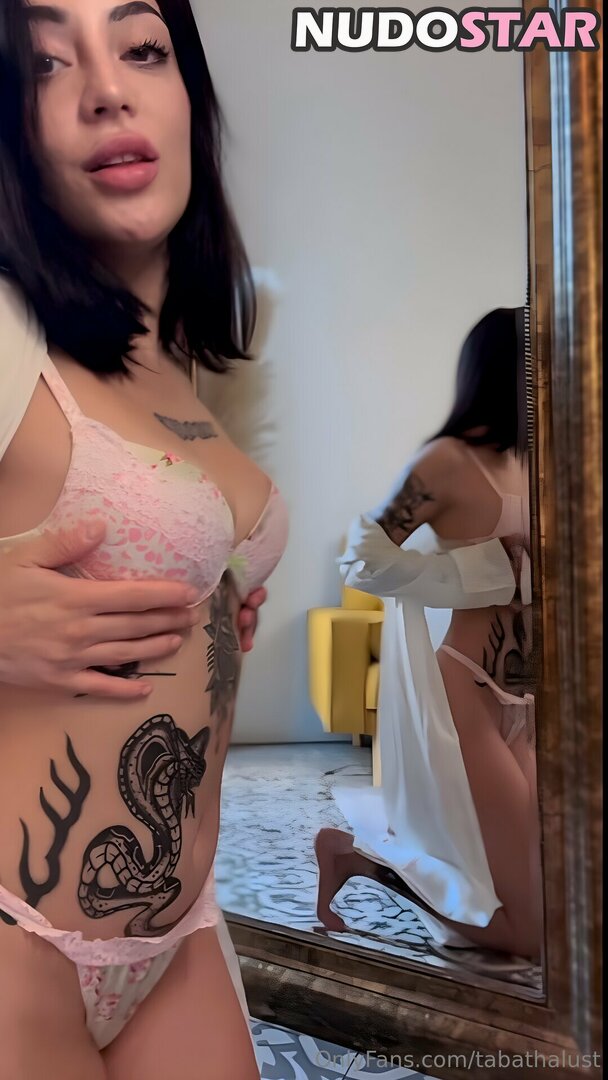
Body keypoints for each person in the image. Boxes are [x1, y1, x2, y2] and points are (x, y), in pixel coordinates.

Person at [0, 1, 289, 1077]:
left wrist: (220, 594)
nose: (106, 88)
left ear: (189, 96)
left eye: (142, 48)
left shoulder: (176, 362)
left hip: (178, 933)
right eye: (45, 64)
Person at [315, 309, 542, 962]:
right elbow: (362, 557)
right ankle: (356, 859)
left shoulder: (540, 459)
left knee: (551, 902)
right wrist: (481, 572)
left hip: (532, 698)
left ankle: (364, 855)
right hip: (467, 688)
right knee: (525, 935)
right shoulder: (446, 461)